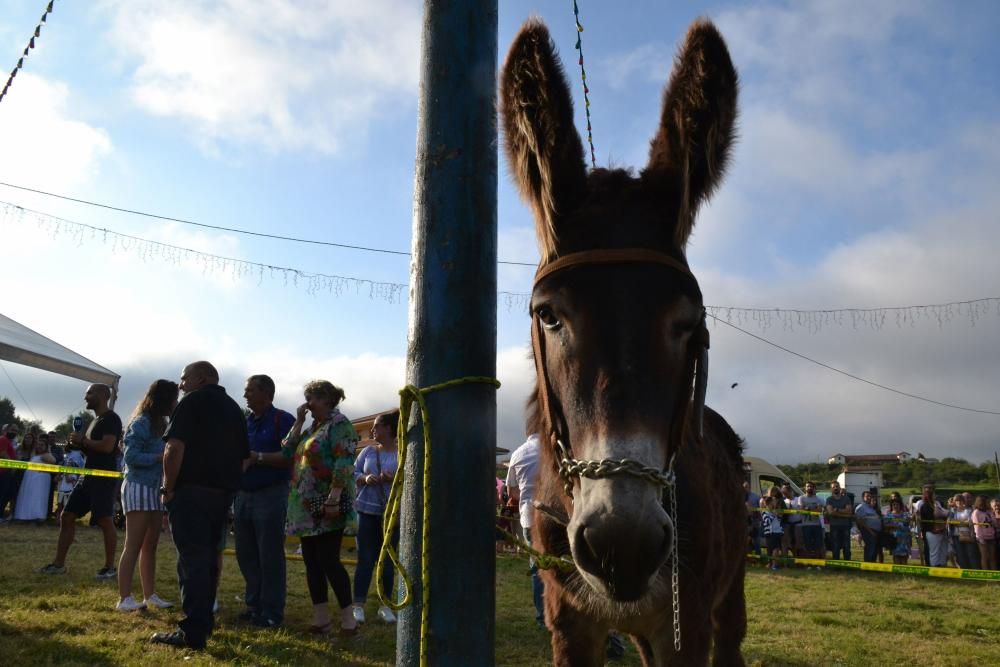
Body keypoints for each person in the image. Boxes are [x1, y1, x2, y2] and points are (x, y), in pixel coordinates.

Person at [150, 361, 249, 650]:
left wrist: (167, 488)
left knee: (192, 561)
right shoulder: (234, 408)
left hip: (191, 492)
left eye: (184, 379)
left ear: (203, 378)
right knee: (207, 560)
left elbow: (173, 447)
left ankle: (193, 630)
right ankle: (203, 620)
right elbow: (244, 458)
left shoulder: (192, 402)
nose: (180, 385)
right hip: (222, 495)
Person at [281, 380, 359, 637]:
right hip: (305, 506)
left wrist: (334, 497)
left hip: (328, 504)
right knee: (312, 562)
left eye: (311, 398)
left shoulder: (340, 425)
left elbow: (344, 463)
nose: (308, 404)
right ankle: (321, 618)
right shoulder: (312, 428)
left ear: (327, 399)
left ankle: (348, 620)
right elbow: (287, 450)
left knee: (329, 560)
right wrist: (298, 421)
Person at [40, 385, 123, 578]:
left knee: (104, 520)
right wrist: (78, 445)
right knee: (67, 516)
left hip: (103, 477)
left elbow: (108, 447)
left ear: (104, 395)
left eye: (90, 393)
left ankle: (109, 568)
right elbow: (94, 450)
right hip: (88, 475)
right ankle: (58, 564)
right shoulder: (95, 421)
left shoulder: (111, 418)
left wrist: (83, 441)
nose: (86, 397)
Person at [234, 374, 295, 628]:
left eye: (250, 390)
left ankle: (271, 611)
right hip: (242, 495)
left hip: (271, 494)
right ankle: (254, 605)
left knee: (269, 554)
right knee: (245, 552)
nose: (245, 394)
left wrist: (256, 457)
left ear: (266, 393)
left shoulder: (284, 420)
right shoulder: (245, 421)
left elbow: (290, 456)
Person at [116, 380, 179, 612]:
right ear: (164, 399)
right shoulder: (141, 422)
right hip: (138, 487)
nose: (176, 402)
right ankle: (124, 598)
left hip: (154, 488)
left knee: (150, 545)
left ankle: (149, 594)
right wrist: (159, 456)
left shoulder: (162, 423)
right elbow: (131, 457)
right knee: (132, 544)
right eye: (174, 397)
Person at [351, 410, 400, 625]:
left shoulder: (404, 453)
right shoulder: (368, 452)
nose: (372, 430)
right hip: (367, 512)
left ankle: (385, 605)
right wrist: (364, 477)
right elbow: (353, 472)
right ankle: (358, 605)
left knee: (388, 561)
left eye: (376, 426)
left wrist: (395, 478)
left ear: (388, 429)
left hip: (392, 514)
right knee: (365, 559)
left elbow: (410, 478)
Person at [506, 432, 544, 627]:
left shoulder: (518, 454)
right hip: (558, 515)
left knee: (538, 567)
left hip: (529, 516)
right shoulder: (555, 448)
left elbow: (512, 492)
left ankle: (542, 618)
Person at [12, 433, 56, 522]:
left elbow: (53, 462)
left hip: (40, 481)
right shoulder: (34, 455)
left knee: (38, 497)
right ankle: (26, 516)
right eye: (38, 445)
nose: (39, 447)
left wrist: (45, 469)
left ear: (46, 446)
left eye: (42, 445)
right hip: (30, 480)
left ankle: (37, 516)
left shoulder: (46, 455)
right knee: (29, 497)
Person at [918, 484, 948, 567]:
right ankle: (934, 568)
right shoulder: (924, 506)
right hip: (932, 532)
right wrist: (932, 529)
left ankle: (942, 565)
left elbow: (945, 514)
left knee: (942, 550)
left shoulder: (939, 504)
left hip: (941, 530)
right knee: (934, 552)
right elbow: (924, 521)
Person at [949, 494, 979, 570]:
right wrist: (964, 523)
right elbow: (950, 521)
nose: (958, 502)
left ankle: (974, 570)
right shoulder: (952, 511)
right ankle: (964, 571)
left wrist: (958, 523)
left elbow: (970, 522)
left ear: (963, 501)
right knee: (960, 554)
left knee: (971, 553)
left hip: (969, 534)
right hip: (956, 535)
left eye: (960, 500)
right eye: (956, 500)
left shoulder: (969, 510)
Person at [826, 481, 853, 561]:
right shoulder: (829, 499)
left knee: (847, 546)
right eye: (833, 487)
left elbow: (849, 511)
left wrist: (837, 510)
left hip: (845, 525)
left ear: (840, 487)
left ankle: (847, 563)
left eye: (837, 486)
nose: (835, 488)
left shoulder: (846, 498)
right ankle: (836, 564)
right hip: (834, 526)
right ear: (831, 489)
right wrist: (843, 511)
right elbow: (830, 512)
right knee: (835, 546)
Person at [797, 481, 825, 560]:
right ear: (805, 488)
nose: (809, 488)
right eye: (808, 486)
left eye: (811, 486)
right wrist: (813, 509)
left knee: (818, 545)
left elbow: (819, 510)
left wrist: (807, 508)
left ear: (814, 488)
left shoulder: (818, 498)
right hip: (806, 525)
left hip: (817, 525)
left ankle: (817, 563)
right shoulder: (801, 498)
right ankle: (808, 563)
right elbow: (802, 509)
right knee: (807, 545)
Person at [855, 490, 882, 563]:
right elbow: (860, 521)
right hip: (868, 531)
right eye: (867, 496)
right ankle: (868, 565)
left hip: (875, 531)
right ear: (863, 498)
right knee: (870, 547)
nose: (869, 497)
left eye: (870, 496)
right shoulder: (861, 507)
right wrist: (870, 531)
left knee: (874, 548)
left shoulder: (870, 507)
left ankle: (872, 564)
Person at [970, 495, 996, 571]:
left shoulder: (989, 511)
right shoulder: (976, 512)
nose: (988, 503)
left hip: (991, 537)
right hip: (982, 538)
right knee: (985, 557)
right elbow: (977, 526)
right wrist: (980, 538)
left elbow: (994, 523)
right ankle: (986, 575)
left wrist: (991, 513)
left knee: (992, 556)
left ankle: (994, 574)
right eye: (987, 501)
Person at [883, 497, 911, 565]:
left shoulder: (906, 514)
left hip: (905, 539)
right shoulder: (888, 515)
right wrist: (892, 526)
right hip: (894, 539)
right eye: (894, 505)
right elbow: (884, 525)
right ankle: (897, 571)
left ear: (900, 505)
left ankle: (904, 571)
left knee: (904, 556)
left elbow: (910, 522)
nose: (895, 506)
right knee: (896, 556)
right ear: (891, 506)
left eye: (897, 504)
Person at [0, 424, 18, 521]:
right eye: (12, 430)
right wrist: (12, 465)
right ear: (6, 430)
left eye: (16, 431)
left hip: (7, 472)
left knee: (8, 494)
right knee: (2, 494)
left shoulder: (9, 442)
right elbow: (2, 453)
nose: (14, 433)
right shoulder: (3, 439)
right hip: (3, 471)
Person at [760, 496, 783, 571]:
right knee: (773, 549)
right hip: (771, 533)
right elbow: (767, 521)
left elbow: (778, 520)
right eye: (773, 501)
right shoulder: (765, 512)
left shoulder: (775, 511)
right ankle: (773, 565)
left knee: (776, 549)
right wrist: (774, 515)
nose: (775, 502)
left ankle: (773, 565)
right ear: (769, 503)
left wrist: (779, 516)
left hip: (777, 532)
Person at [743, 481, 762, 557]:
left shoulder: (756, 497)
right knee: (746, 541)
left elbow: (760, 509)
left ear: (750, 487)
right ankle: (748, 558)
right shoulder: (741, 496)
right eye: (744, 487)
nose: (745, 489)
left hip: (755, 521)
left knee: (756, 540)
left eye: (746, 487)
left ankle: (759, 557)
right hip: (744, 522)